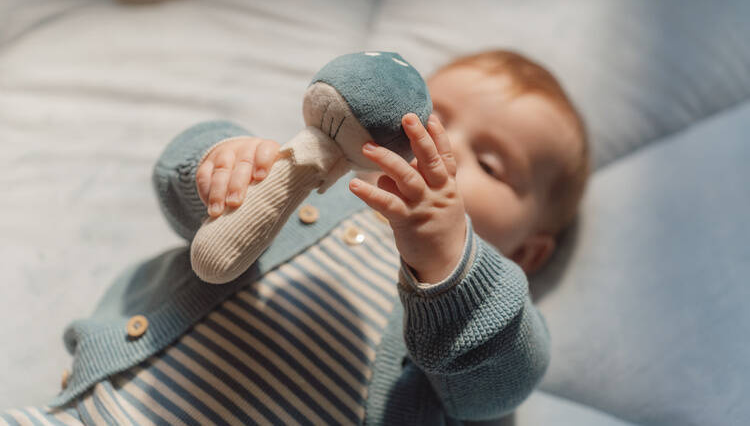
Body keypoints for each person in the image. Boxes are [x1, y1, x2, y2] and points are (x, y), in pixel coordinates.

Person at [1, 49, 589, 426]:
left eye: (489, 163)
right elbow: (188, 207)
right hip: (110, 408)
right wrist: (222, 163)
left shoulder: (478, 300)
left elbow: (501, 386)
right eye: (431, 115)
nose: (437, 145)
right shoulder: (319, 185)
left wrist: (450, 265)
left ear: (528, 251)